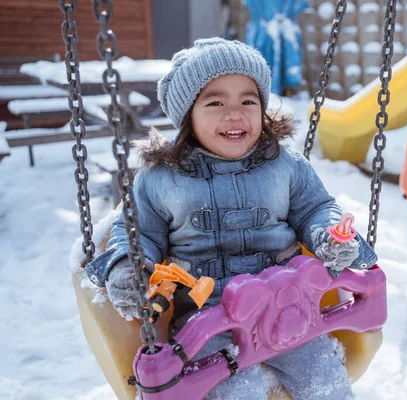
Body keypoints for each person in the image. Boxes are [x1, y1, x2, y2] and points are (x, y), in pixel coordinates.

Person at [84, 37, 377, 399]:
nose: (234, 113)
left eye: (248, 101)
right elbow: (138, 232)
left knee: (325, 380)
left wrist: (329, 236)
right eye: (216, 102)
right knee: (237, 391)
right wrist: (127, 266)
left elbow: (316, 208)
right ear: (188, 116)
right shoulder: (161, 177)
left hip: (287, 306)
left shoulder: (284, 165)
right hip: (209, 321)